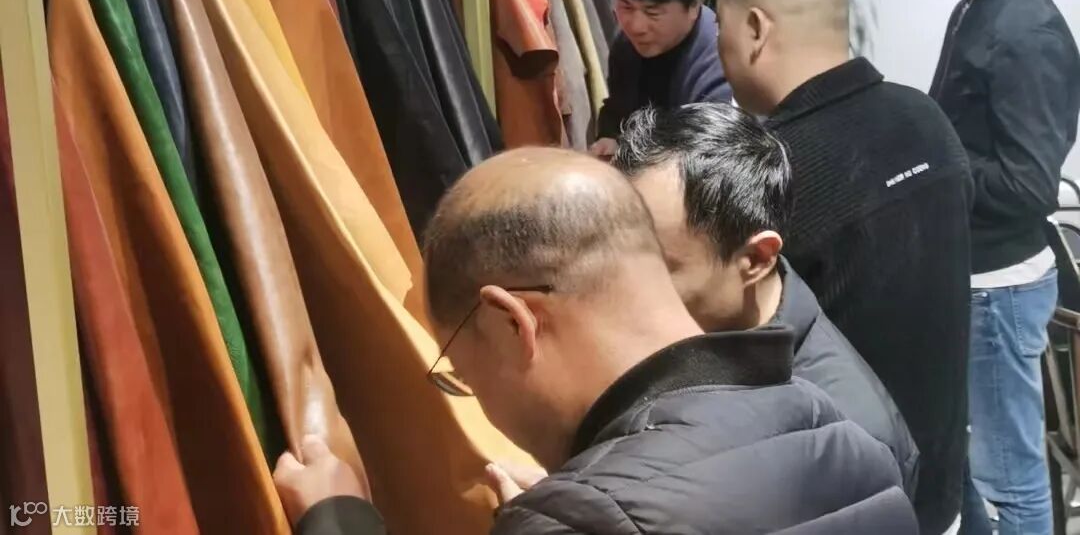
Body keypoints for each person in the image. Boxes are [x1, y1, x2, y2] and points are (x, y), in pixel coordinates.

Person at [276, 147, 918, 534]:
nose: (481, 404)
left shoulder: (580, 520)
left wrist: (338, 519)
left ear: (512, 322)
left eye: (462, 375)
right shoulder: (844, 432)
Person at [715, 0, 973, 534]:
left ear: (754, 28)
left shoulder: (768, 174)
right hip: (939, 494)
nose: (718, 48)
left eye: (719, 27)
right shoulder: (926, 120)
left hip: (841, 507)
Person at [903, 0, 1080, 535]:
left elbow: (1029, 185)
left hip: (1001, 288)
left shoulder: (1027, 32)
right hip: (975, 278)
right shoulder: (974, 9)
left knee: (1010, 479)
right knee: (975, 470)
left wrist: (930, 164)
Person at [612, 102, 920, 496]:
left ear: (756, 259)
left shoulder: (849, 439)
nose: (620, 289)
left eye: (654, 267)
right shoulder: (691, 330)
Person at [590, 0, 730, 159]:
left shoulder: (722, 62)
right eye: (626, 6)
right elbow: (617, 110)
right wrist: (610, 137)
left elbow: (710, 160)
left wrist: (631, 156)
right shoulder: (627, 44)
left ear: (694, 6)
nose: (636, 26)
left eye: (652, 12)